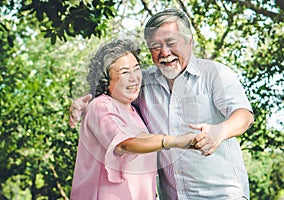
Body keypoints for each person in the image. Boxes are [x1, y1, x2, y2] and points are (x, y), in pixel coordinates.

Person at [69, 9, 254, 200]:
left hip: (221, 195)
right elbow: (115, 93)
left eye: (171, 43)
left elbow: (244, 115)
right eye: (156, 46)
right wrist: (87, 100)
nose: (164, 53)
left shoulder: (214, 74)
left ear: (189, 41)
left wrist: (220, 131)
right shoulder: (144, 83)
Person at [70, 39, 198, 200]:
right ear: (105, 79)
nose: (134, 78)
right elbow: (124, 143)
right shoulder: (100, 106)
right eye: (124, 72)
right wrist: (174, 141)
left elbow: (142, 143)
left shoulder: (134, 112)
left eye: (136, 69)